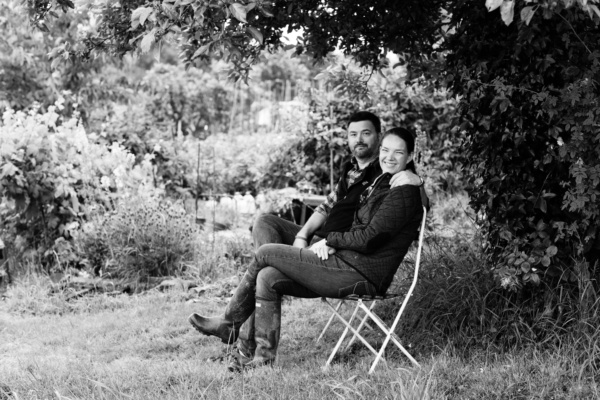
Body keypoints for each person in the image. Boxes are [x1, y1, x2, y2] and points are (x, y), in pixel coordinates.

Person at [189, 127, 424, 371]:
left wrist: (331, 241)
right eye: (386, 150)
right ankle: (262, 361)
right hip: (347, 262)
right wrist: (333, 244)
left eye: (398, 152)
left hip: (362, 273)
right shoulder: (385, 183)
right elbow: (359, 230)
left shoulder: (404, 191)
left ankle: (229, 323)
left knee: (266, 253)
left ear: (408, 158)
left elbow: (369, 239)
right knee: (267, 276)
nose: (389, 157)